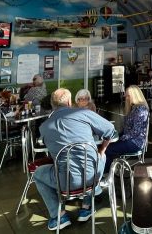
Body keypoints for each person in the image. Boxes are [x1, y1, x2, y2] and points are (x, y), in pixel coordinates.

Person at [34, 88, 116, 230]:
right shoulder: (83, 113)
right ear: (69, 102)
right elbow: (110, 130)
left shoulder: (44, 127)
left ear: (52, 104)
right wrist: (101, 149)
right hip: (92, 176)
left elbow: (49, 151)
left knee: (38, 174)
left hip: (65, 182)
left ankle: (59, 215)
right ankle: (86, 207)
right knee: (97, 158)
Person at [104, 86, 149, 173]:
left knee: (107, 148)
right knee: (107, 145)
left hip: (135, 142)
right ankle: (108, 171)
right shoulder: (134, 108)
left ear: (135, 96)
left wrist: (118, 139)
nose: (126, 97)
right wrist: (115, 137)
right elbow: (127, 130)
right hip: (131, 140)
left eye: (128, 96)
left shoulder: (140, 109)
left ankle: (106, 174)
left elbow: (135, 132)